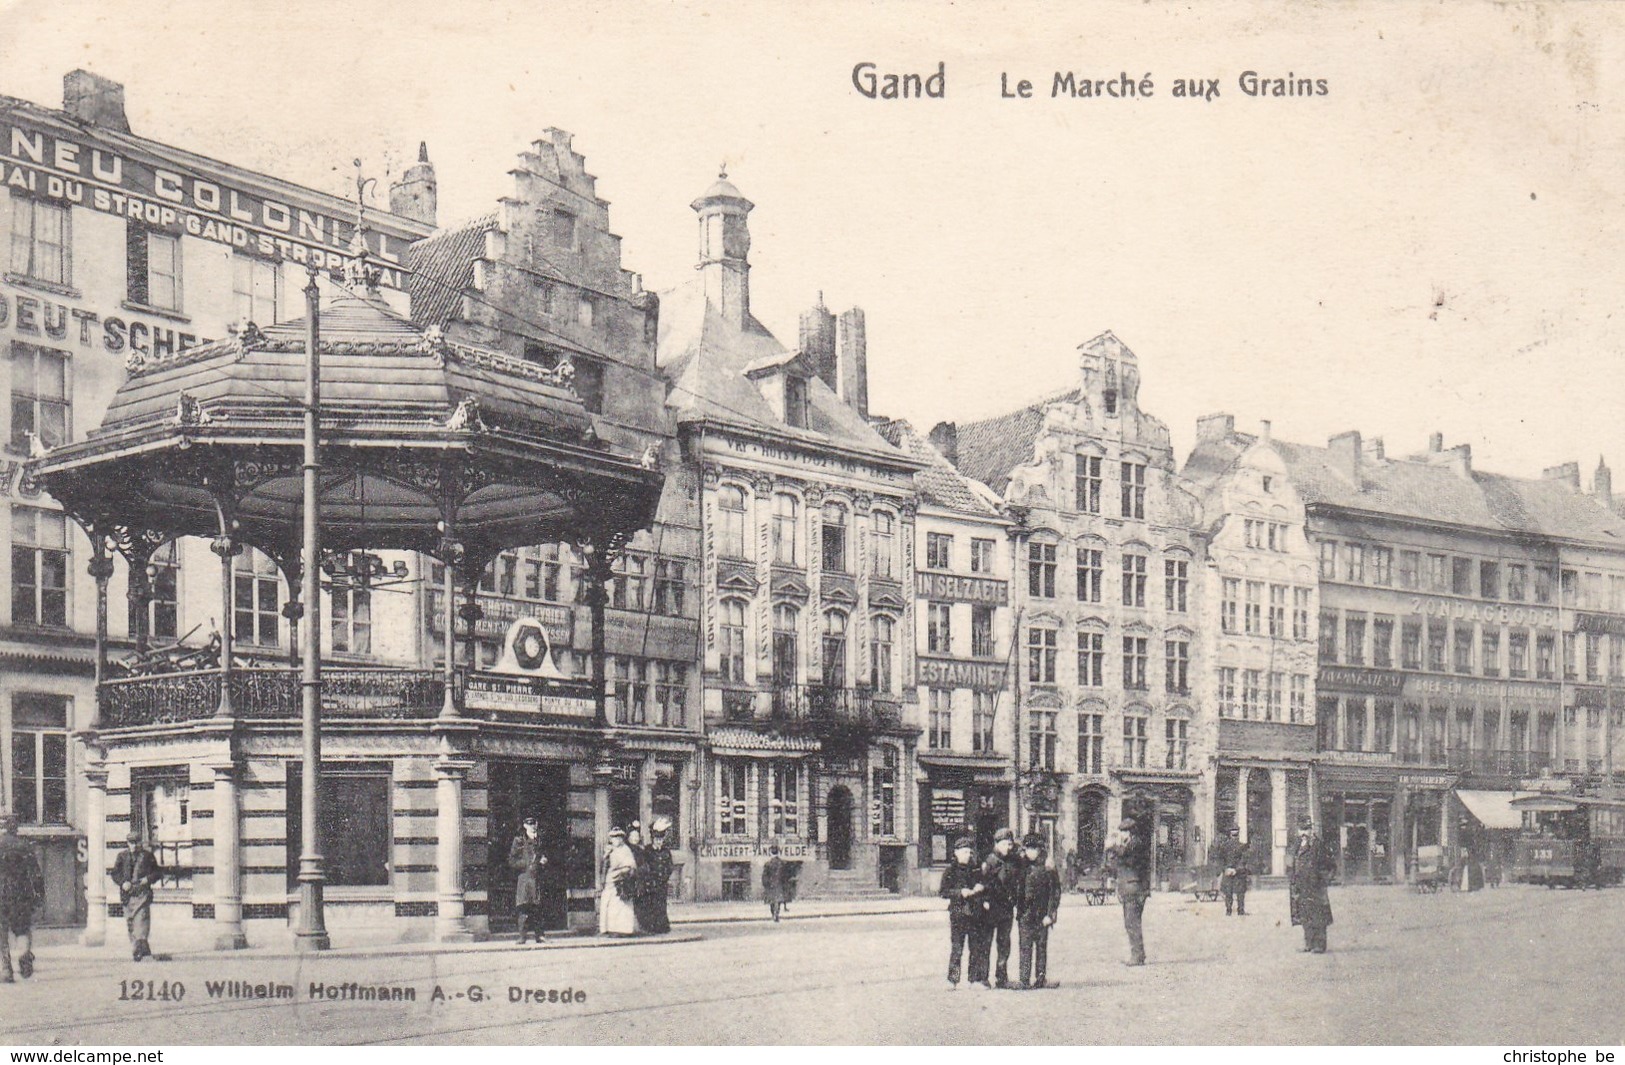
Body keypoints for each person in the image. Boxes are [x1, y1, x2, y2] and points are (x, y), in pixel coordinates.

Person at [938, 836, 990, 988]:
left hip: (975, 914)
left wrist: (981, 889)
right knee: (957, 948)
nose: (967, 855)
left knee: (975, 948)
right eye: (964, 852)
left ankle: (974, 980)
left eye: (969, 852)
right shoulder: (950, 871)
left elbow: (985, 884)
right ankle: (952, 980)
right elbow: (943, 892)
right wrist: (960, 892)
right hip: (958, 914)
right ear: (956, 853)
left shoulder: (976, 869)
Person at [1015, 832, 1061, 990]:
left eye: (1034, 849)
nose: (1031, 852)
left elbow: (1055, 892)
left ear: (1040, 849)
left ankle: (1041, 977)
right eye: (1028, 848)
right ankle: (1024, 979)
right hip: (1025, 914)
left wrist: (1051, 914)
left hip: (1042, 914)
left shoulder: (1048, 868)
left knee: (1041, 946)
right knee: (1025, 946)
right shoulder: (1021, 866)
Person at [0, 815, 44, 982]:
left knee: (1, 933)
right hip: (21, 895)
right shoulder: (25, 846)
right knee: (22, 929)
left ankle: (6, 970)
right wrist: (39, 895)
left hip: (1, 895)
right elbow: (36, 874)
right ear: (16, 828)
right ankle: (24, 956)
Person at [980, 826, 1022, 988]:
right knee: (986, 943)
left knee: (1004, 944)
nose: (1007, 848)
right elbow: (982, 884)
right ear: (997, 844)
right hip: (990, 908)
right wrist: (985, 901)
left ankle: (1001, 977)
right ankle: (983, 977)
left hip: (1006, 908)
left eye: (1010, 844)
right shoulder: (989, 862)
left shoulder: (1014, 861)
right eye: (1004, 844)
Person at [111, 826, 161, 961]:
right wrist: (122, 883)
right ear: (128, 843)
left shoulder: (147, 856)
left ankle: (138, 950)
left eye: (136, 842)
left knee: (142, 921)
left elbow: (157, 873)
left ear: (140, 843)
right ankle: (140, 948)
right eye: (131, 843)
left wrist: (147, 879)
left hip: (142, 894)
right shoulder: (122, 856)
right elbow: (115, 873)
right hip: (127, 895)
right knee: (131, 923)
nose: (133, 845)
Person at [1288, 816, 1335, 954]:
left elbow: (1331, 865)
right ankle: (1308, 943)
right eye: (1301, 829)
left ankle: (1319, 945)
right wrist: (1292, 879)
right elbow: (1291, 863)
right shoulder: (1295, 844)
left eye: (1306, 829)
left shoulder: (1318, 845)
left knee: (1318, 916)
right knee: (1304, 915)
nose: (1304, 833)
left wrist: (1324, 881)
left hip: (1315, 887)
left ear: (1311, 829)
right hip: (1300, 886)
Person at [1115, 814, 1151, 966]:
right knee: (1131, 922)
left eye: (1123, 832)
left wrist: (1118, 847)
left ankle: (1137, 956)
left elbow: (1129, 861)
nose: (1121, 835)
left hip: (1134, 887)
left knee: (1132, 922)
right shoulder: (1133, 845)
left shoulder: (1135, 845)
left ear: (1129, 833)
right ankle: (1138, 954)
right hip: (1130, 887)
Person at [508, 815, 548, 944]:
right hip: (525, 879)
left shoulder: (540, 840)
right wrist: (527, 863)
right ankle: (522, 936)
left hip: (537, 878)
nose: (533, 826)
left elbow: (546, 856)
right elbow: (512, 861)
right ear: (525, 826)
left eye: (534, 824)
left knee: (538, 908)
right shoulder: (519, 841)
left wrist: (543, 861)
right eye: (530, 824)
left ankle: (540, 936)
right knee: (524, 908)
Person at [637, 817, 675, 934]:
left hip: (662, 883)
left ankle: (661, 927)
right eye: (657, 839)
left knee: (661, 904)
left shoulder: (666, 851)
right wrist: (649, 879)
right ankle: (651, 927)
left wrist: (665, 877)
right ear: (653, 839)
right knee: (651, 904)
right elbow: (644, 866)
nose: (659, 841)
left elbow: (669, 866)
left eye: (661, 839)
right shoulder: (647, 851)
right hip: (650, 883)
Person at [599, 827, 639, 936]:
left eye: (618, 838)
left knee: (622, 906)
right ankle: (609, 929)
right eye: (613, 838)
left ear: (622, 839)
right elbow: (604, 866)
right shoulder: (609, 850)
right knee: (609, 905)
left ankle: (623, 929)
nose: (616, 840)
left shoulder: (626, 850)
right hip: (610, 881)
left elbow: (631, 865)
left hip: (622, 881)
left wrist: (624, 872)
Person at [1213, 825, 1252, 916]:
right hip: (1236, 872)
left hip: (1232, 872)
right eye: (1234, 835)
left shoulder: (1225, 847)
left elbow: (1220, 860)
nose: (1234, 837)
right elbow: (1243, 860)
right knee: (1235, 892)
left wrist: (1227, 869)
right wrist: (1233, 870)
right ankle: (1237, 910)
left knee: (1232, 892)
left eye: (1235, 835)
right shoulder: (1240, 846)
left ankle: (1231, 910)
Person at [762, 844, 789, 922]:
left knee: (772, 901)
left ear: (771, 852)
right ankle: (776, 914)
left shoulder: (768, 864)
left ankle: (773, 914)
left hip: (771, 885)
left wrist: (765, 884)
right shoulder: (782, 863)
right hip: (779, 884)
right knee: (778, 901)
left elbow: (764, 876)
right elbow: (786, 875)